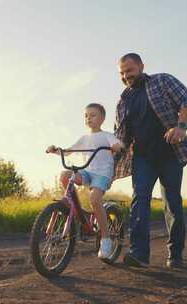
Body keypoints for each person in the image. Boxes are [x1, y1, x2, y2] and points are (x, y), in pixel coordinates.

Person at [113, 53, 187, 269]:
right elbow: (121, 138)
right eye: (122, 73)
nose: (126, 76)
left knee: (172, 203)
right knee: (139, 200)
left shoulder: (162, 81)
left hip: (170, 154)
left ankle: (175, 255)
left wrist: (181, 127)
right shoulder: (123, 102)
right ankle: (139, 255)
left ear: (141, 66)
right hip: (142, 158)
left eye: (129, 70)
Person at [47, 103, 122, 259]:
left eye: (93, 115)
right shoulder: (84, 138)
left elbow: (118, 144)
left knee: (95, 199)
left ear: (102, 118)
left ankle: (106, 239)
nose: (89, 118)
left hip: (102, 174)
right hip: (87, 172)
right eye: (86, 116)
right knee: (65, 174)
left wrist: (116, 147)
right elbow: (68, 151)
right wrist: (57, 150)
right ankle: (72, 205)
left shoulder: (106, 135)